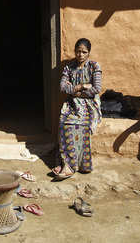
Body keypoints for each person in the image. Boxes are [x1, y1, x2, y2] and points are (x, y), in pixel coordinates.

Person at [52, 38, 102, 180]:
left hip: (90, 104)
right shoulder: (69, 67)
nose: (80, 55)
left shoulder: (94, 66)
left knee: (83, 125)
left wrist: (75, 90)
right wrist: (80, 87)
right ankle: (66, 164)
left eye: (84, 52)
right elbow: (63, 87)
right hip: (72, 103)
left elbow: (96, 89)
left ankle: (82, 165)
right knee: (64, 123)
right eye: (78, 51)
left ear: (89, 53)